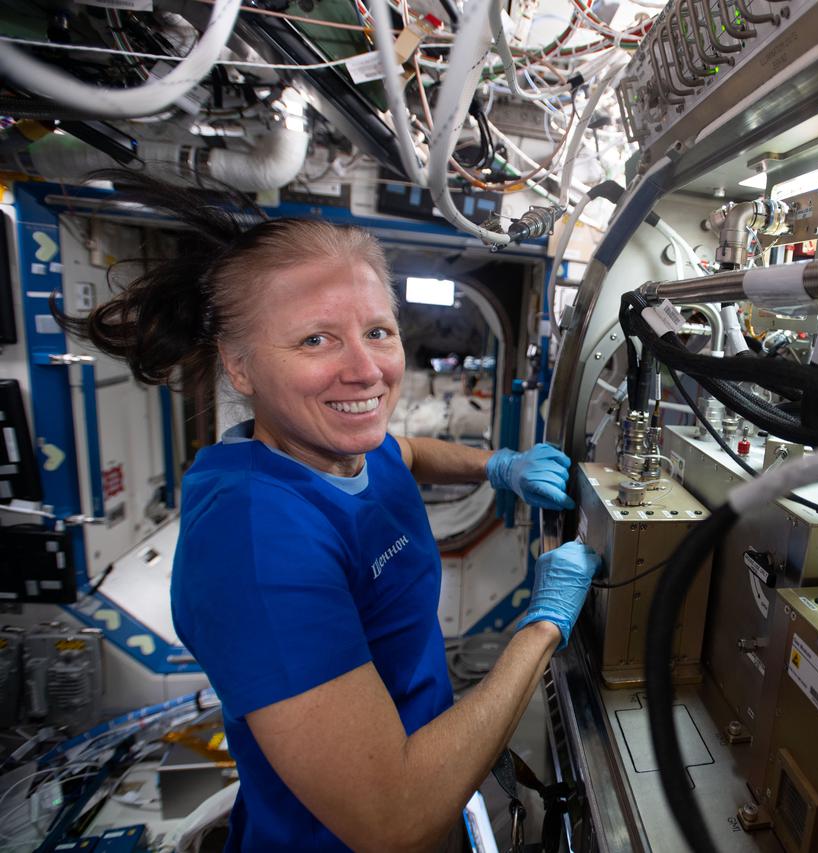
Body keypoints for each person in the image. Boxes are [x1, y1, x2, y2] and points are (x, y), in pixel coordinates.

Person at [59, 175, 601, 852]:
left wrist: (499, 466)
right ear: (240, 367)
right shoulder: (254, 544)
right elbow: (392, 818)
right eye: (316, 340)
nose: (366, 369)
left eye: (377, 330)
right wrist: (542, 626)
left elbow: (404, 452)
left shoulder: (342, 448)